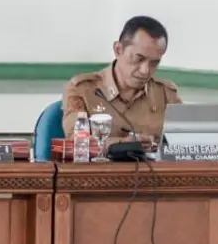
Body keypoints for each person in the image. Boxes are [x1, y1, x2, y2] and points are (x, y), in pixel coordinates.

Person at [60, 16, 182, 146]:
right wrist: (122, 144)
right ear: (118, 50)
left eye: (154, 63)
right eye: (139, 59)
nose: (145, 70)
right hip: (103, 160)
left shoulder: (166, 94)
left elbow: (185, 142)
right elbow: (77, 142)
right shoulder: (83, 89)